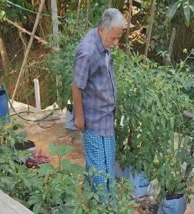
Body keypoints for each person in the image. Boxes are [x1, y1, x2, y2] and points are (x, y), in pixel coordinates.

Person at [72, 8, 125, 194]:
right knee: (100, 171)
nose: (116, 43)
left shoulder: (103, 41)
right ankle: (104, 205)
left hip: (106, 115)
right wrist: (79, 117)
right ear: (102, 30)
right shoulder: (87, 52)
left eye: (119, 38)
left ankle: (89, 192)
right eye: (114, 38)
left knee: (105, 163)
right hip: (93, 118)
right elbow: (77, 86)